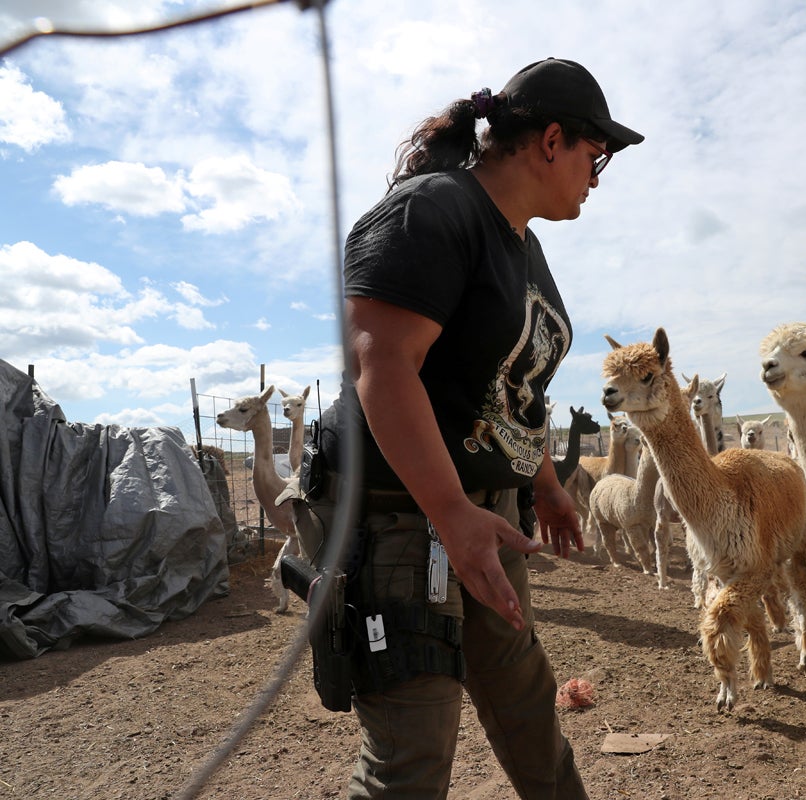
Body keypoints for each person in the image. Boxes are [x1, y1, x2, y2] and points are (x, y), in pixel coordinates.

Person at [298, 58, 643, 799]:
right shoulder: (431, 211)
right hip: (400, 522)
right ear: (552, 140)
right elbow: (383, 363)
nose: (596, 176)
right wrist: (452, 513)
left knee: (529, 718)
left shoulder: (523, 243)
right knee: (411, 763)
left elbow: (508, 388)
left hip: (485, 521)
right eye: (596, 156)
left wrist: (544, 483)